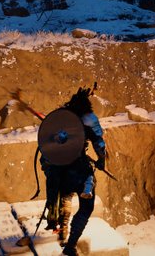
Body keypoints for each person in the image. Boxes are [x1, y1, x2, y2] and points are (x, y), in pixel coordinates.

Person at [41, 87, 106, 256]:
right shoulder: (89, 119)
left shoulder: (61, 116)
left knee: (65, 196)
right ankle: (70, 246)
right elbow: (99, 143)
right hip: (78, 168)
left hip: (57, 168)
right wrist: (101, 161)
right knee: (86, 207)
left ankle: (62, 230)